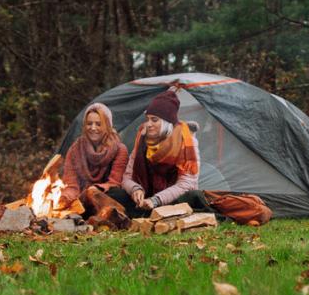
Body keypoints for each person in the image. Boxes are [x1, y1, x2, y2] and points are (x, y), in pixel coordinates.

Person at [119, 89, 211, 219]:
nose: (148, 124)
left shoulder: (186, 141)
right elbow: (127, 177)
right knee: (115, 193)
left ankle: (151, 213)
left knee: (193, 196)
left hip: (172, 200)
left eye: (154, 120)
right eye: (148, 119)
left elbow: (186, 184)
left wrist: (156, 200)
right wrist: (135, 189)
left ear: (166, 122)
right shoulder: (142, 138)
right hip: (146, 198)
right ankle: (145, 211)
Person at [59, 103, 131, 228]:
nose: (93, 128)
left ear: (107, 125)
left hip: (108, 196)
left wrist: (94, 190)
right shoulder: (75, 149)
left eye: (98, 124)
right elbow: (71, 183)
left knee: (120, 194)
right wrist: (66, 197)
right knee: (65, 200)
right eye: (89, 123)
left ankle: (111, 218)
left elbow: (115, 182)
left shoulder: (119, 149)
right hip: (82, 200)